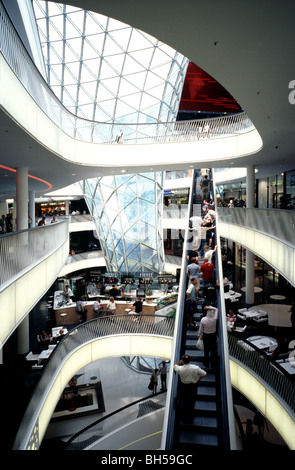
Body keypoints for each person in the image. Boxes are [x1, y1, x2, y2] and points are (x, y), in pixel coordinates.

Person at [174, 355, 206, 422]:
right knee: (192, 401)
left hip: (184, 387)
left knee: (185, 402)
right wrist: (199, 379)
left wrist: (180, 362)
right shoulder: (195, 368)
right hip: (193, 387)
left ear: (183, 361)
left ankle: (184, 418)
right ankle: (191, 418)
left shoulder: (180, 369)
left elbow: (175, 365)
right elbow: (204, 374)